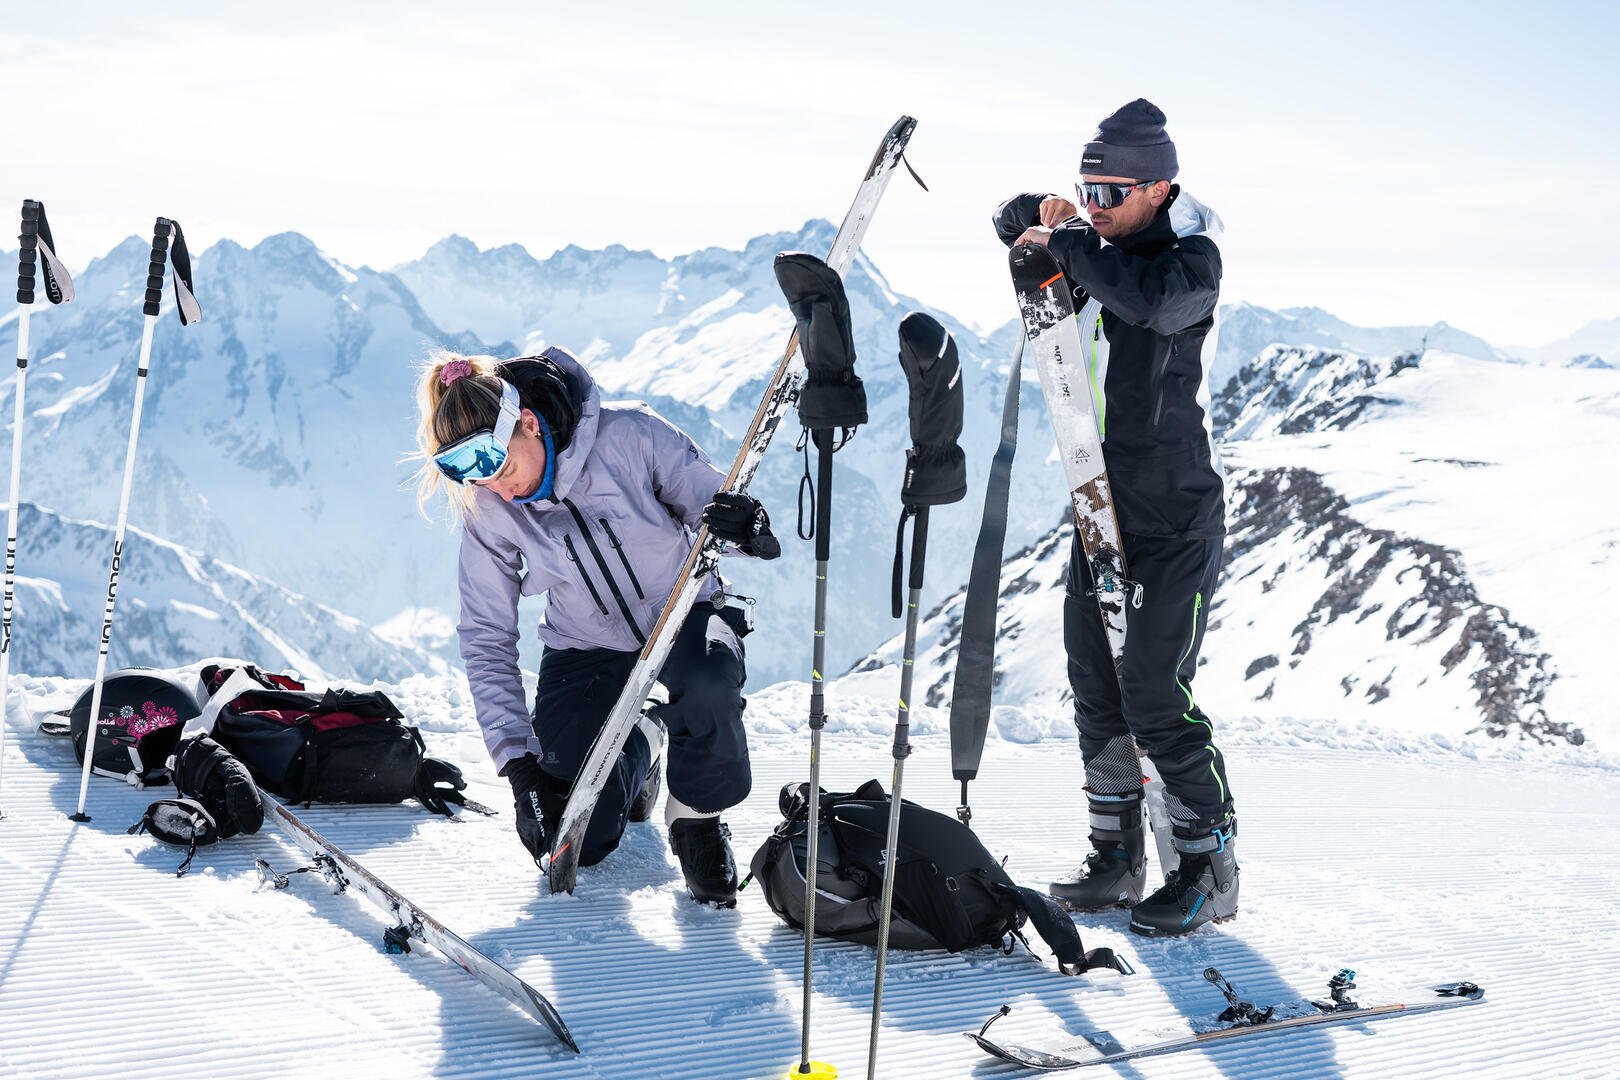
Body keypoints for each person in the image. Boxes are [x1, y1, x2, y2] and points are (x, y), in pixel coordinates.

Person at [993, 98, 1238, 937]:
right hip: (1099, 508)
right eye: (1084, 189)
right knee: (1096, 689)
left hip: (1174, 519)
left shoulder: (1189, 263)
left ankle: (1208, 867)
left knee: (1152, 694)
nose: (1094, 205)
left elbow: (1145, 303)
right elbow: (1054, 270)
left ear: (1160, 187)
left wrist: (1067, 239)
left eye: (1111, 192)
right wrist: (1030, 227)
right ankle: (1117, 858)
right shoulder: (1100, 247)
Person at [414, 346, 780, 907]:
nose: (502, 491)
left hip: (684, 611)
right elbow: (486, 636)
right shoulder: (491, 506)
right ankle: (645, 741)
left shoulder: (632, 436)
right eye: (484, 483)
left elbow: (717, 511)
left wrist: (745, 527)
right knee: (575, 837)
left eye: (506, 469)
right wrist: (517, 767)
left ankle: (697, 820)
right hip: (586, 642)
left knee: (706, 687)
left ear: (529, 424)